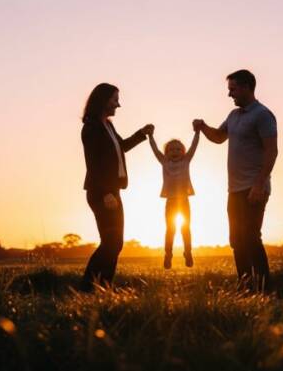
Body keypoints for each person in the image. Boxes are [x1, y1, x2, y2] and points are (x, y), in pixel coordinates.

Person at [193, 70, 278, 291]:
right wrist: (203, 128)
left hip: (254, 187)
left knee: (250, 237)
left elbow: (272, 151)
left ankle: (265, 289)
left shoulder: (263, 115)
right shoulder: (234, 116)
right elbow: (219, 137)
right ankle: (246, 288)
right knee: (237, 241)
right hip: (234, 189)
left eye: (233, 89)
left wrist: (260, 183)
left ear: (247, 87)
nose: (230, 94)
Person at [80, 83, 153, 291]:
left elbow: (121, 147)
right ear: (103, 101)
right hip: (102, 192)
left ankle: (103, 287)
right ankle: (87, 287)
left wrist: (141, 133)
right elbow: (94, 164)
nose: (118, 104)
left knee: (114, 243)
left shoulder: (108, 125)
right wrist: (106, 193)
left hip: (113, 191)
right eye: (115, 99)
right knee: (111, 242)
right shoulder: (92, 127)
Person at [147, 125, 201, 269]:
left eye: (178, 149)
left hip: (184, 201)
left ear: (183, 152)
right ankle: (168, 254)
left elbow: (194, 145)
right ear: (166, 153)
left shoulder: (186, 161)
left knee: (185, 229)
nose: (175, 152)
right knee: (170, 229)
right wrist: (150, 136)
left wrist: (197, 132)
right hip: (171, 201)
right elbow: (155, 149)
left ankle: (188, 253)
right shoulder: (164, 162)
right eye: (171, 150)